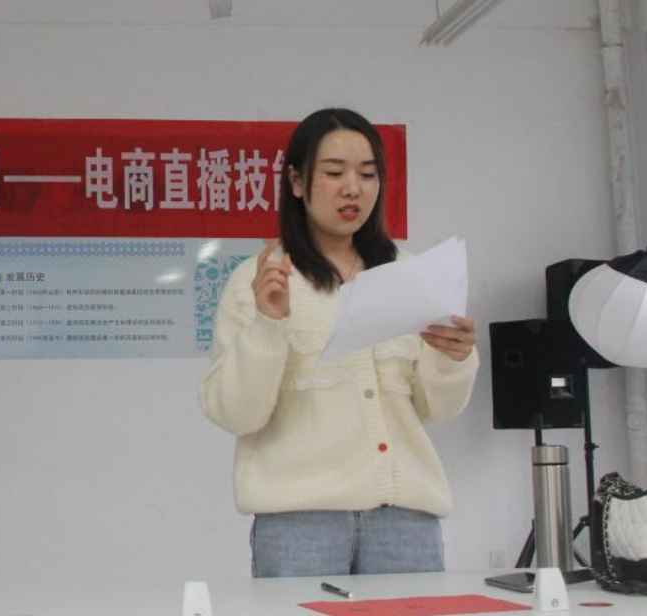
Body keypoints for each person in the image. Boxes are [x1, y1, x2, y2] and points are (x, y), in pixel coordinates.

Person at [199, 108, 478, 578]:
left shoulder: (409, 275)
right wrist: (267, 325)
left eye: (367, 174)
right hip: (299, 522)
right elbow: (235, 414)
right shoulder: (258, 281)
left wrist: (454, 358)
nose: (353, 189)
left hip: (405, 519)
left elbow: (434, 409)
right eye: (334, 173)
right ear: (297, 181)